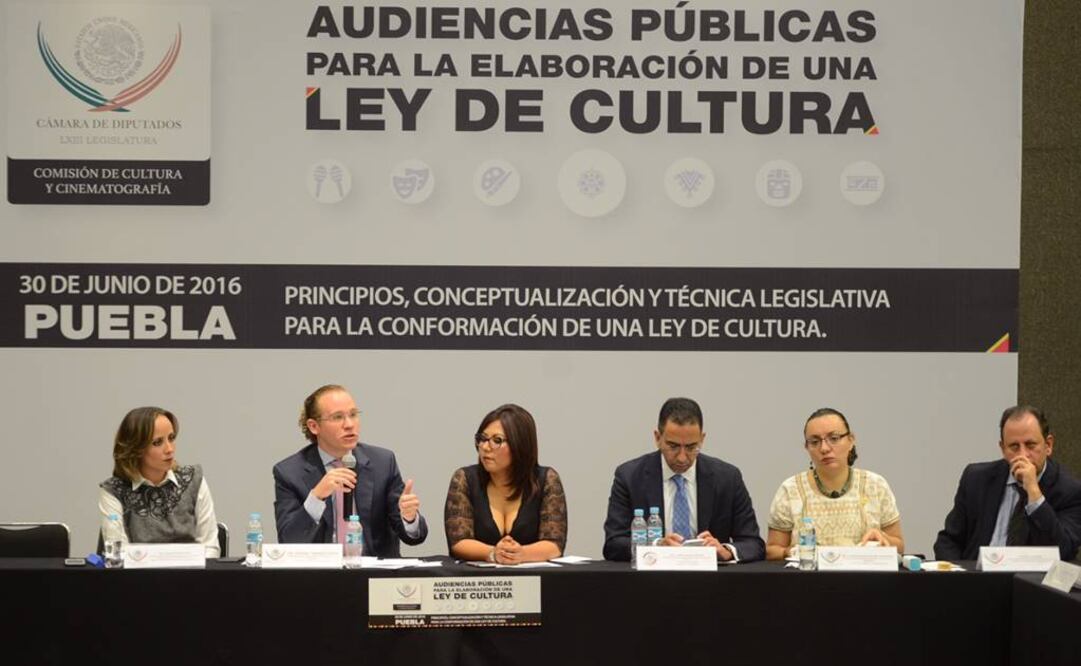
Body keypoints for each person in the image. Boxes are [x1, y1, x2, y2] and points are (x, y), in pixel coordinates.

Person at [603, 397, 764, 562]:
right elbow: (613, 544)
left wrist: (726, 551)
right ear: (657, 438)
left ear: (702, 439)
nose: (682, 458)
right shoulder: (630, 477)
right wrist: (657, 546)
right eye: (673, 446)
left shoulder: (728, 478)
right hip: (651, 581)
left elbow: (753, 544)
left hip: (712, 582)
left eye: (691, 447)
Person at [273, 384, 427, 557]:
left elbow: (414, 537)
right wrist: (316, 496)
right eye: (337, 417)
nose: (349, 424)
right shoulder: (289, 472)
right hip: (319, 578)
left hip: (372, 577)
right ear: (314, 426)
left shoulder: (382, 462)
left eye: (353, 415)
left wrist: (409, 518)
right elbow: (288, 540)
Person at [934, 405, 1081, 561]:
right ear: (1003, 448)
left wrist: (1034, 494)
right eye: (1014, 446)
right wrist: (957, 576)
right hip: (977, 578)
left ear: (1048, 445)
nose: (1023, 455)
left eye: (1030, 445)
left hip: (1028, 583)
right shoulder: (976, 478)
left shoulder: (1070, 491)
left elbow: (1064, 552)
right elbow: (949, 540)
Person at [765, 407, 903, 559]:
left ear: (851, 441)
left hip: (864, 579)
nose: (824, 448)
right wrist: (791, 551)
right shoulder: (790, 489)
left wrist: (883, 539)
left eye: (834, 438)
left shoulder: (875, 485)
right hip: (808, 580)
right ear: (807, 448)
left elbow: (900, 547)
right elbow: (771, 551)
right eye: (814, 442)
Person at [444, 404, 567, 564]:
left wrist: (521, 554)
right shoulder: (464, 479)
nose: (485, 447)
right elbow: (458, 542)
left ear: (519, 445)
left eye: (497, 440)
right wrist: (493, 553)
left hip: (534, 581)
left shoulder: (546, 480)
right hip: (480, 584)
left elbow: (554, 544)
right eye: (482, 439)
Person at [98, 407, 220, 558]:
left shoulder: (193, 480)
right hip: (138, 580)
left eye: (171, 438)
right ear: (135, 448)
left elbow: (210, 548)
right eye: (157, 442)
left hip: (191, 577)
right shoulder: (113, 491)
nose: (169, 449)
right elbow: (119, 555)